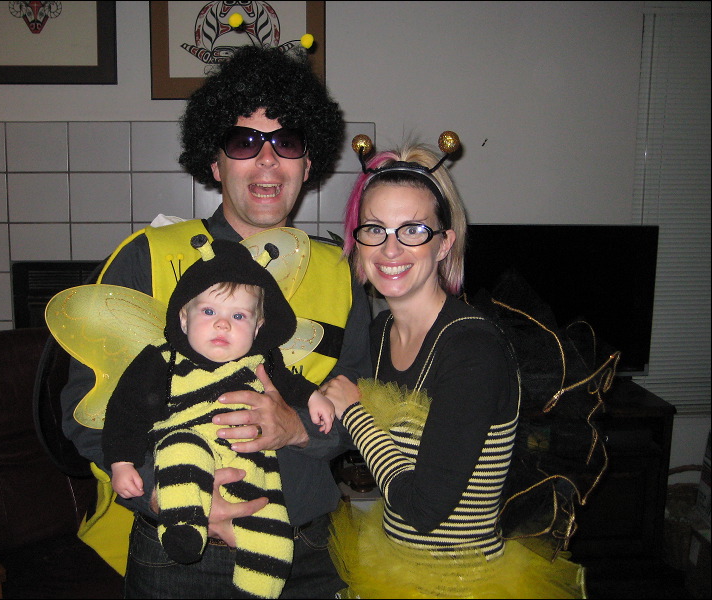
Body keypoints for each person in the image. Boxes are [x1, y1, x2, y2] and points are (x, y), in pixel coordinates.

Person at [59, 44, 372, 599]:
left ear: (308, 162)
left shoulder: (340, 272)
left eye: (287, 142)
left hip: (307, 551)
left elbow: (366, 400)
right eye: (244, 142)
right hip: (182, 548)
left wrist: (299, 427)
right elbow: (88, 413)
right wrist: (172, 500)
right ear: (215, 161)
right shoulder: (146, 257)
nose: (268, 161)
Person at [319, 135, 587, 598]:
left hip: (463, 584)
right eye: (375, 229)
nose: (390, 248)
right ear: (357, 240)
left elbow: (425, 508)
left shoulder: (470, 348)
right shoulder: (381, 333)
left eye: (413, 230)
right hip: (394, 566)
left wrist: (352, 412)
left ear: (444, 244)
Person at [102, 235, 334, 598]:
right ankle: (184, 528)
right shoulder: (163, 360)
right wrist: (122, 462)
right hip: (187, 439)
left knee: (272, 526)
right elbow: (124, 412)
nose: (222, 325)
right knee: (182, 452)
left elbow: (291, 385)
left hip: (254, 464)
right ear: (183, 317)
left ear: (258, 328)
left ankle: (260, 587)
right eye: (209, 312)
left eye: (238, 316)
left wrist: (315, 398)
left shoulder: (261, 362)